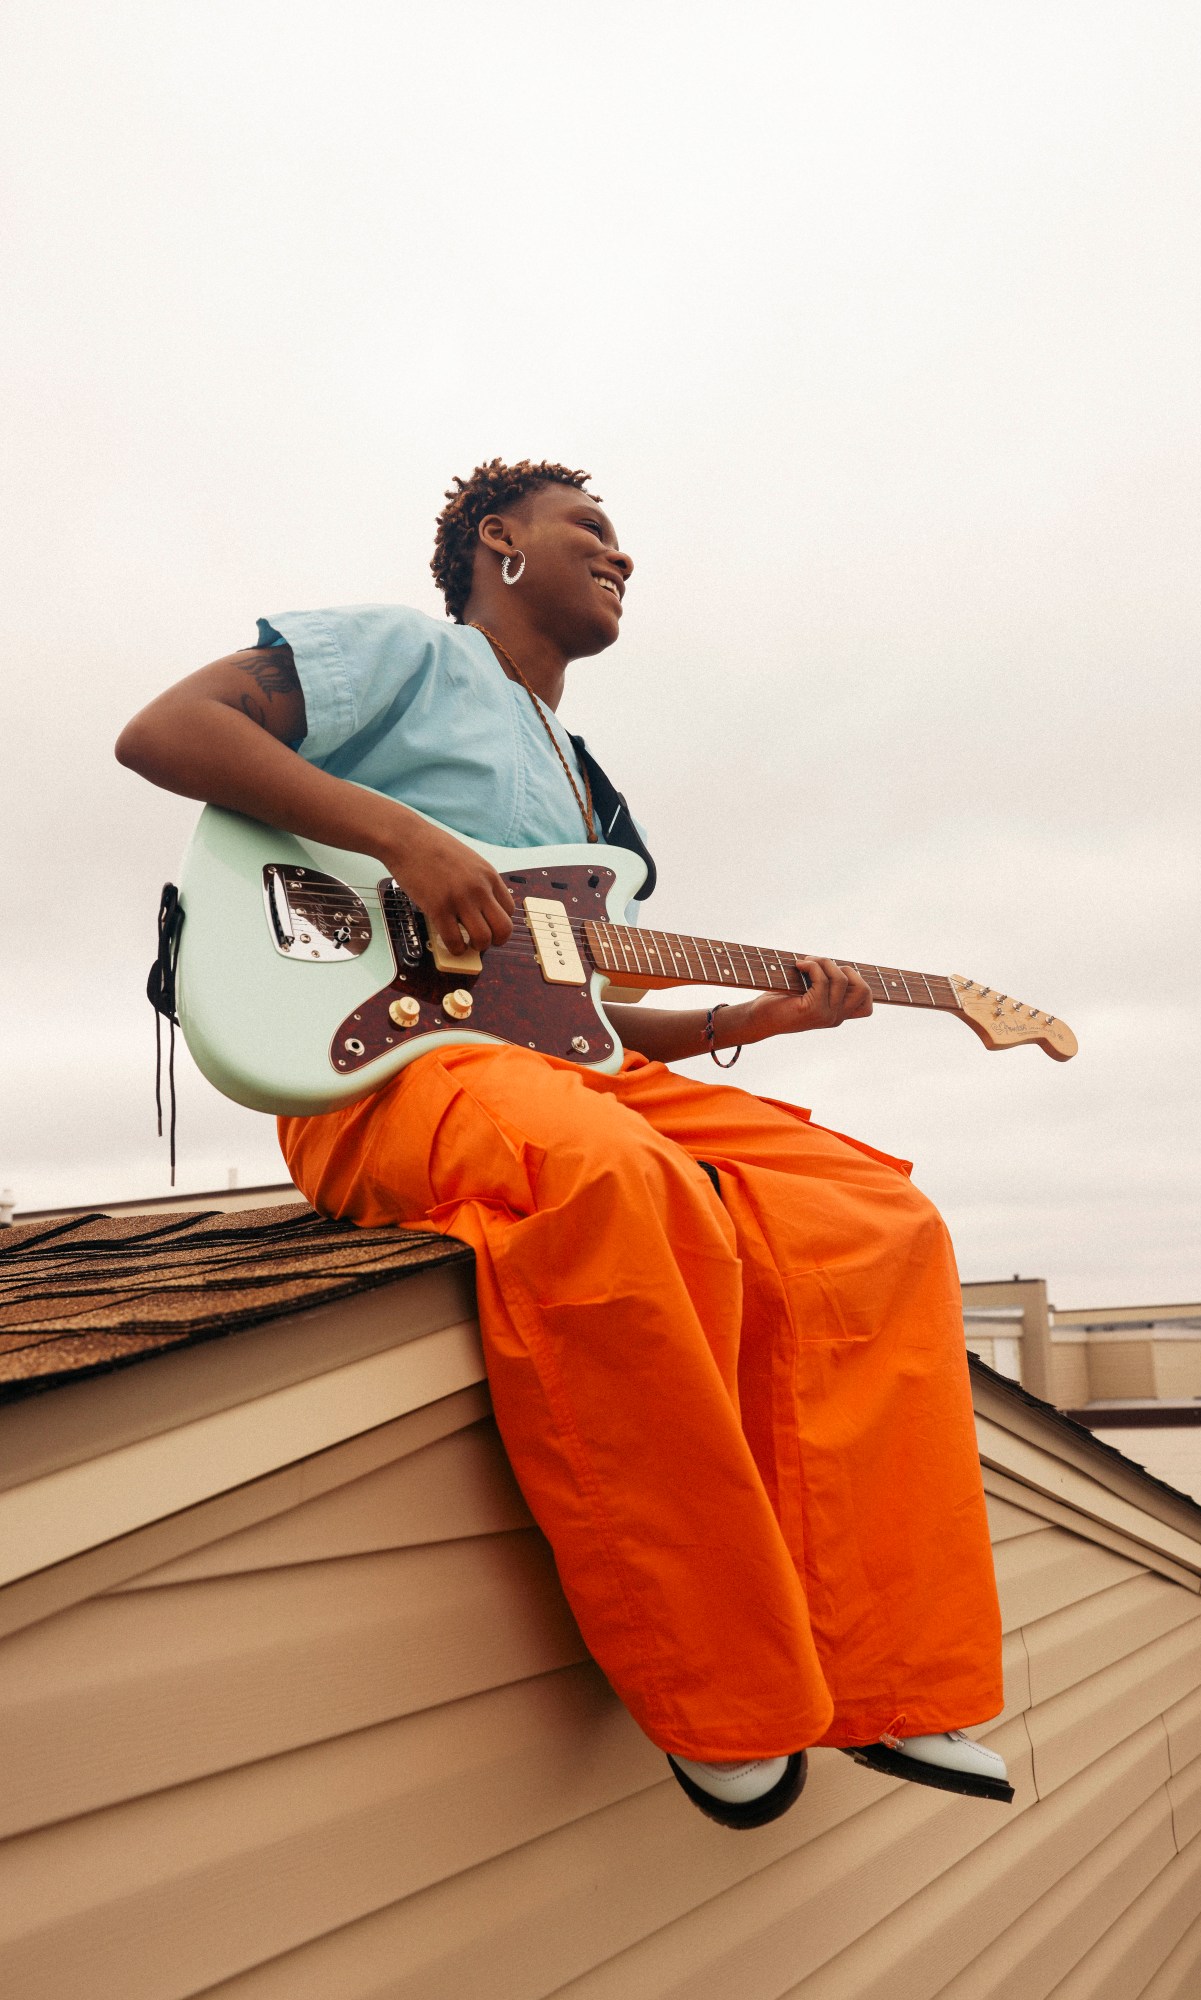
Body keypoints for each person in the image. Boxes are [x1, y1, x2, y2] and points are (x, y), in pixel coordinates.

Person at [116, 457, 1010, 1829]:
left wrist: (748, 1024)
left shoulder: (587, 793)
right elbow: (168, 730)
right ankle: (719, 1691)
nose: (621, 555)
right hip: (377, 1070)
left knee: (870, 1222)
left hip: (559, 1073)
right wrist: (404, 839)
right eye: (588, 528)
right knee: (613, 1184)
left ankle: (895, 1674)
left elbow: (587, 1025)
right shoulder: (408, 654)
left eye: (622, 537)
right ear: (498, 543)